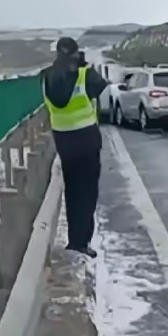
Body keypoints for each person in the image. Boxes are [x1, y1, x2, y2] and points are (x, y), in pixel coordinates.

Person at [43, 36, 107, 256]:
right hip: (86, 140)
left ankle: (74, 240)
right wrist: (85, 66)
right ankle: (81, 242)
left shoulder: (46, 76)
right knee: (87, 193)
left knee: (72, 191)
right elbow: (100, 87)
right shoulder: (83, 73)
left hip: (63, 141)